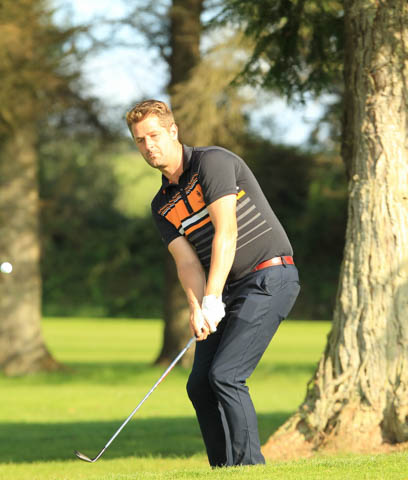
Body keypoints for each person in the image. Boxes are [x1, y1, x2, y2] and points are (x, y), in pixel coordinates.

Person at [125, 99, 300, 467]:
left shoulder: (212, 162)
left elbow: (227, 232)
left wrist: (212, 297)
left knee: (227, 375)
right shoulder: (161, 205)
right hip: (227, 290)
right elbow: (187, 262)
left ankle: (249, 470)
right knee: (200, 385)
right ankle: (223, 471)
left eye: (154, 135)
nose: (149, 146)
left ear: (173, 131)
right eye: (140, 140)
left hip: (269, 277)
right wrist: (197, 306)